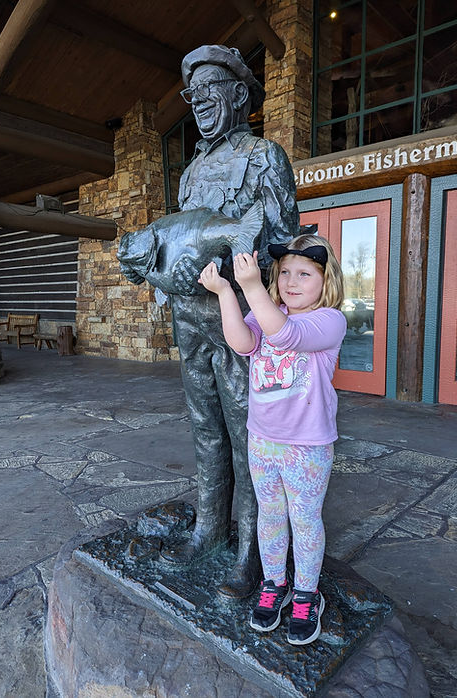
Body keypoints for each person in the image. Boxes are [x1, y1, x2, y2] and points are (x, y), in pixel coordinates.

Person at [157, 45, 300, 600]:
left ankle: (252, 553)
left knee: (249, 439)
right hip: (190, 322)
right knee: (206, 432)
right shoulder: (191, 172)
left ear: (240, 95)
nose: (199, 104)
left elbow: (284, 245)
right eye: (193, 95)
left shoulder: (265, 157)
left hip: (241, 325)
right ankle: (208, 531)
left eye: (211, 89)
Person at [198, 233, 347, 645]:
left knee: (304, 519)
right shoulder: (268, 312)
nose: (291, 281)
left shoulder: (328, 320)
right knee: (270, 515)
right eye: (284, 273)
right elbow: (242, 342)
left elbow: (285, 336)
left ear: (326, 281)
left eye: (304, 273)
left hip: (307, 445)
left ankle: (306, 593)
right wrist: (228, 291)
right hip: (263, 440)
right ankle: (274, 583)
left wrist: (251, 287)